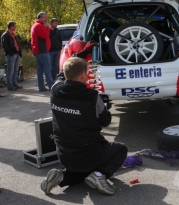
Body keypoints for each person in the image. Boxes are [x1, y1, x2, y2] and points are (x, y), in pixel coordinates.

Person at [41, 52, 128, 195]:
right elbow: (106, 121)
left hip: (64, 153)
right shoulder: (92, 97)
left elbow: (60, 76)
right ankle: (99, 175)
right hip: (89, 152)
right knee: (121, 149)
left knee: (84, 171)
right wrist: (104, 107)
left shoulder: (55, 90)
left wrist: (73, 60)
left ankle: (61, 177)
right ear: (82, 75)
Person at [31, 12, 54, 92]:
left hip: (40, 50)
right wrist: (47, 27)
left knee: (40, 69)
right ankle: (51, 86)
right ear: (40, 18)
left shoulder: (37, 25)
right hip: (41, 50)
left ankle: (41, 86)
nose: (46, 19)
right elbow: (45, 35)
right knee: (47, 68)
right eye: (44, 17)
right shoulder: (38, 26)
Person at [1, 21, 23, 91]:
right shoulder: (5, 35)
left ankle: (15, 83)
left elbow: (16, 43)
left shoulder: (12, 34)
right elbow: (5, 45)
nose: (15, 27)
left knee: (16, 70)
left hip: (16, 54)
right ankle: (10, 85)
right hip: (11, 55)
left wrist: (19, 52)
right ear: (11, 26)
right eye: (14, 26)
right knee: (10, 71)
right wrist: (11, 53)